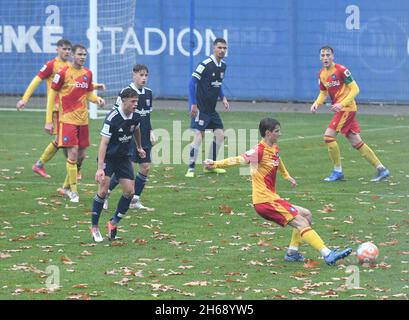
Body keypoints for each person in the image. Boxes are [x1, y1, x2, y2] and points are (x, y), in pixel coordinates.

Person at [204, 118, 352, 265]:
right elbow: (238, 159)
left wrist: (286, 175)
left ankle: (292, 253)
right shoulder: (258, 151)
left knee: (306, 214)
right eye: (277, 131)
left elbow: (278, 160)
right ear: (268, 133)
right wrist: (215, 163)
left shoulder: (273, 148)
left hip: (271, 199)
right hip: (265, 201)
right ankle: (328, 254)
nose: (280, 134)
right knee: (301, 222)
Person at [16, 39, 105, 180]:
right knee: (65, 142)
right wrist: (24, 99)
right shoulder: (51, 65)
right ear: (57, 49)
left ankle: (45, 165)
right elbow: (36, 80)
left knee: (63, 141)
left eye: (69, 49)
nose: (67, 52)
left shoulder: (71, 66)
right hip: (58, 109)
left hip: (68, 109)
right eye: (64, 49)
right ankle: (64, 168)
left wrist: (95, 86)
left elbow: (78, 83)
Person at [311, 45, 390, 182]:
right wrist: (316, 103)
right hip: (343, 109)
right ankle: (382, 169)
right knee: (355, 141)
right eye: (323, 55)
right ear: (320, 57)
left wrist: (342, 103)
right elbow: (323, 92)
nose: (325, 57)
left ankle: (337, 171)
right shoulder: (321, 74)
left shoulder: (341, 70)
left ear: (333, 56)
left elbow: (355, 89)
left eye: (328, 55)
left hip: (346, 109)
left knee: (328, 137)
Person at [47, 44, 105, 203]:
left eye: (84, 55)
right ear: (72, 55)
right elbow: (52, 94)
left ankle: (66, 187)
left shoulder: (87, 73)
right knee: (72, 154)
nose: (82, 57)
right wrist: (48, 120)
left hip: (83, 121)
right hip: (66, 120)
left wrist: (97, 99)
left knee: (80, 156)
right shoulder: (63, 73)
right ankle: (74, 192)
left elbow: (88, 93)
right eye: (80, 54)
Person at [90, 88, 146, 242]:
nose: (136, 104)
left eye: (137, 101)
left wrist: (139, 147)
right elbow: (103, 143)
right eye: (133, 101)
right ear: (123, 101)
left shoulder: (136, 116)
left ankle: (113, 223)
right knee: (103, 191)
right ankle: (94, 227)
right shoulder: (112, 118)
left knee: (129, 192)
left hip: (123, 158)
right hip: (108, 158)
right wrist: (100, 168)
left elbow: (137, 130)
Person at [103, 64, 156, 211]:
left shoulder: (149, 93)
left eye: (146, 75)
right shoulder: (126, 93)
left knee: (145, 167)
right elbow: (116, 116)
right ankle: (106, 193)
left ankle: (135, 200)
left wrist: (151, 130)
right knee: (126, 169)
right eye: (141, 75)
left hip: (143, 136)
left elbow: (147, 115)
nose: (144, 78)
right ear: (134, 75)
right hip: (128, 136)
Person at [185, 38, 230, 178]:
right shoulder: (204, 64)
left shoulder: (223, 66)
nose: (222, 50)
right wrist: (193, 104)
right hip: (201, 108)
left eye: (224, 48)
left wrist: (223, 97)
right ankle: (191, 168)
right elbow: (191, 83)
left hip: (211, 109)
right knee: (199, 136)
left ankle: (210, 166)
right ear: (213, 48)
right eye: (219, 47)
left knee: (220, 135)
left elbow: (218, 83)